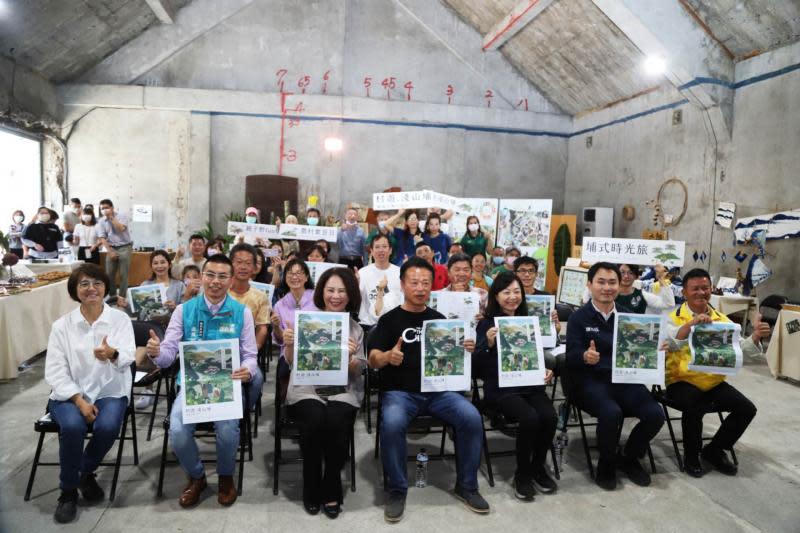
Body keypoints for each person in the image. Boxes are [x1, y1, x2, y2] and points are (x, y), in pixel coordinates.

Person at [368, 257, 488, 522]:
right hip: (400, 392)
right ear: (402, 285)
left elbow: (452, 360)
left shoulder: (439, 319)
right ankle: (397, 490)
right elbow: (372, 358)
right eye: (414, 282)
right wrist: (388, 357)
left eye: (425, 283)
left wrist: (464, 350)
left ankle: (467, 486)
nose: (420, 288)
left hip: (438, 392)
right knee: (392, 422)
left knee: (470, 416)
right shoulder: (389, 320)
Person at [145, 254, 258, 508]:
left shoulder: (242, 312)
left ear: (231, 280)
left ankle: (226, 475)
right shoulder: (185, 311)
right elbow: (167, 355)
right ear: (200, 277)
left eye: (222, 276)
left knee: (228, 430)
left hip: (227, 384)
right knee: (177, 431)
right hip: (192, 385)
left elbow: (251, 356)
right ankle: (197, 476)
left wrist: (247, 370)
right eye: (210, 275)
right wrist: (156, 352)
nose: (215, 282)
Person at [44, 264, 135, 523]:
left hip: (110, 389)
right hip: (70, 393)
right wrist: (79, 400)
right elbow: (54, 371)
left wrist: (113, 353)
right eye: (84, 284)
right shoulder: (62, 326)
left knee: (107, 427)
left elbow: (128, 355)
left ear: (106, 287)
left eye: (96, 283)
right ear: (75, 290)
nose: (91, 288)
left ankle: (81, 472)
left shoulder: (119, 319)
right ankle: (68, 492)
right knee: (73, 427)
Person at [566, 262, 664, 490]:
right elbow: (569, 356)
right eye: (601, 282)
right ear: (590, 285)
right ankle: (606, 465)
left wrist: (657, 348)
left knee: (655, 414)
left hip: (625, 379)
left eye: (612, 282)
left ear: (619, 286)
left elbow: (641, 350)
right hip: (591, 382)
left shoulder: (629, 316)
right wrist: (584, 355)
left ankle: (629, 457)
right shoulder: (578, 318)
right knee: (611, 413)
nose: (607, 287)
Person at [664, 268, 767, 477]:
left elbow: (739, 352)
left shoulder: (723, 320)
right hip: (680, 381)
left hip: (712, 382)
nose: (701, 293)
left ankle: (715, 449)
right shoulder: (672, 317)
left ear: (711, 290)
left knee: (747, 408)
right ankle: (691, 456)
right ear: (684, 292)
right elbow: (670, 343)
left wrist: (754, 337)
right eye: (695, 289)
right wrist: (690, 324)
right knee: (695, 404)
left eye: (705, 288)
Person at [282, 268, 366, 518]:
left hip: (343, 390)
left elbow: (359, 369)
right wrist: (289, 342)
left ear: (350, 295)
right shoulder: (306, 320)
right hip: (307, 388)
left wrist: (350, 358)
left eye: (342, 291)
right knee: (314, 421)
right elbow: (290, 362)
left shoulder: (355, 329)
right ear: (322, 293)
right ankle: (311, 482)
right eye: (331, 290)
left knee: (337, 422)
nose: (336, 296)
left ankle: (331, 484)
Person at [474, 272, 558, 500]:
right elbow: (477, 367)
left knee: (550, 416)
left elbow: (536, 354)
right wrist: (489, 344)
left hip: (530, 385)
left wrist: (545, 370)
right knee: (530, 418)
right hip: (501, 390)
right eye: (506, 292)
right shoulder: (486, 324)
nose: (512, 297)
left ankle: (538, 467)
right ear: (496, 296)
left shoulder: (529, 321)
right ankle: (522, 473)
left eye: (516, 292)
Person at [227, 243, 268, 406]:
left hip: (245, 353)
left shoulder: (260, 297)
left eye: (248, 263)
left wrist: (251, 351)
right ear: (230, 264)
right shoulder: (219, 291)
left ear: (254, 268)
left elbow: (262, 328)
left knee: (257, 379)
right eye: (238, 262)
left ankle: (241, 411)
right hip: (219, 351)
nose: (243, 267)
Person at [272, 258, 316, 357]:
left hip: (314, 350)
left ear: (307, 277)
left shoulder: (317, 299)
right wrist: (275, 326)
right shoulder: (279, 305)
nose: (294, 277)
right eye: (290, 273)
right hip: (289, 353)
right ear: (285, 277)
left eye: (299, 273)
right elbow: (279, 339)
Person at [358, 233, 402, 329]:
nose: (381, 250)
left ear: (390, 250)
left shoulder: (399, 272)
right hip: (368, 325)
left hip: (394, 325)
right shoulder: (362, 273)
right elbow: (356, 299)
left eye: (384, 246)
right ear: (371, 251)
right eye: (377, 247)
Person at [95, 199, 133, 298]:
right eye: (102, 208)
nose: (104, 210)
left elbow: (121, 228)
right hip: (111, 247)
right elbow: (102, 238)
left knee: (123, 274)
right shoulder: (101, 221)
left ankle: (122, 297)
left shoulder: (121, 216)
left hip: (125, 247)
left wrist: (111, 218)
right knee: (109, 274)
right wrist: (110, 251)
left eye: (106, 208)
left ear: (112, 208)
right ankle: (112, 297)